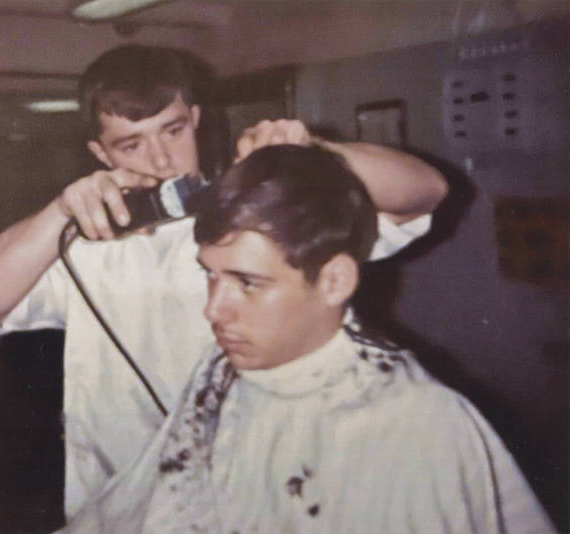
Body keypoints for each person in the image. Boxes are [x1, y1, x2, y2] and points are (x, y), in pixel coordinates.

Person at [0, 44, 448, 519]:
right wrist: (59, 212)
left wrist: (313, 152)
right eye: (131, 144)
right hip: (127, 509)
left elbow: (426, 192)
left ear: (197, 121)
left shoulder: (270, 211)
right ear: (100, 153)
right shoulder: (86, 249)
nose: (162, 160)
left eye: (173, 131)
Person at [57, 144, 554, 534]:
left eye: (247, 282)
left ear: (335, 281)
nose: (212, 308)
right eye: (210, 276)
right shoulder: (222, 373)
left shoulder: (417, 424)